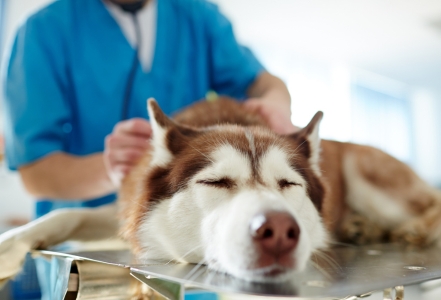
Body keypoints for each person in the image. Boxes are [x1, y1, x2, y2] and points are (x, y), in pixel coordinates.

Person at [2, 0, 294, 298]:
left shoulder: (197, 17)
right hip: (87, 252)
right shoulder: (44, 31)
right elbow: (34, 172)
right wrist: (110, 169)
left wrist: (275, 103)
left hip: (187, 257)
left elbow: (263, 83)